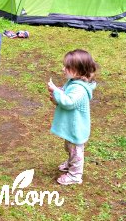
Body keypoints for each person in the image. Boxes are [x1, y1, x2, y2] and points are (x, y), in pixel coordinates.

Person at [47, 49, 97, 185]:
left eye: (67, 67)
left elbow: (69, 102)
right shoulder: (73, 82)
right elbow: (65, 94)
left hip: (76, 127)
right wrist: (58, 94)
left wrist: (56, 92)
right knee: (69, 147)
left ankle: (75, 175)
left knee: (75, 151)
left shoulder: (79, 89)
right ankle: (71, 164)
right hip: (71, 125)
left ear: (79, 70)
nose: (63, 69)